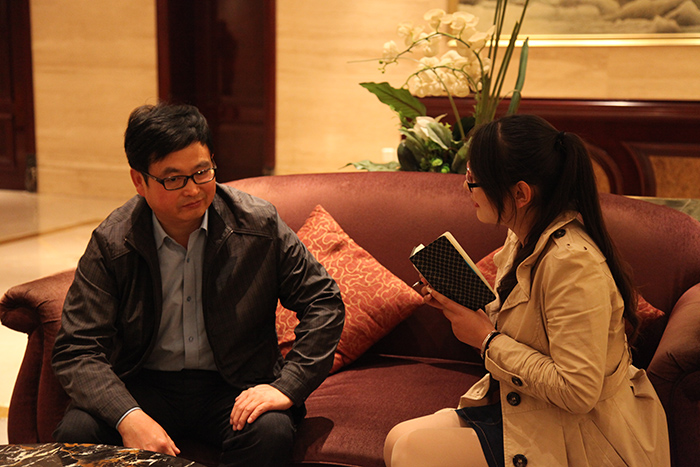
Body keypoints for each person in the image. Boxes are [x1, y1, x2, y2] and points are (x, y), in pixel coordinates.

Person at [51, 102, 345, 467]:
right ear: (139, 181)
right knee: (79, 431)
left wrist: (287, 385)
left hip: (234, 384)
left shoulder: (258, 225)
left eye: (202, 172)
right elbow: (77, 348)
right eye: (173, 179)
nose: (193, 190)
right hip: (144, 384)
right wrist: (129, 416)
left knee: (270, 432)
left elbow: (324, 302)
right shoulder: (113, 242)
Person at [384, 114, 670, 467]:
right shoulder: (522, 238)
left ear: (520, 193)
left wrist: (487, 340)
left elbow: (578, 392)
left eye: (473, 179)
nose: (466, 188)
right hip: (533, 407)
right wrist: (459, 304)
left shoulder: (572, 265)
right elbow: (528, 331)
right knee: (396, 439)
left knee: (411, 452)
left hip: (587, 434)